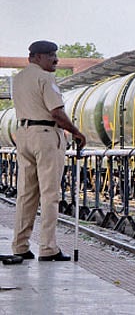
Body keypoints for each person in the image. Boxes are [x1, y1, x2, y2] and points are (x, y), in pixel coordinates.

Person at [11, 40, 86, 262]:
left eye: (55, 55)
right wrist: (77, 132)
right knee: (49, 194)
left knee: (25, 194)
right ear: (36, 57)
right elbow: (56, 113)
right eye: (51, 55)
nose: (56, 59)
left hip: (23, 135)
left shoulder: (18, 79)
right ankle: (48, 248)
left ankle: (20, 245)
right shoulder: (45, 78)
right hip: (45, 135)